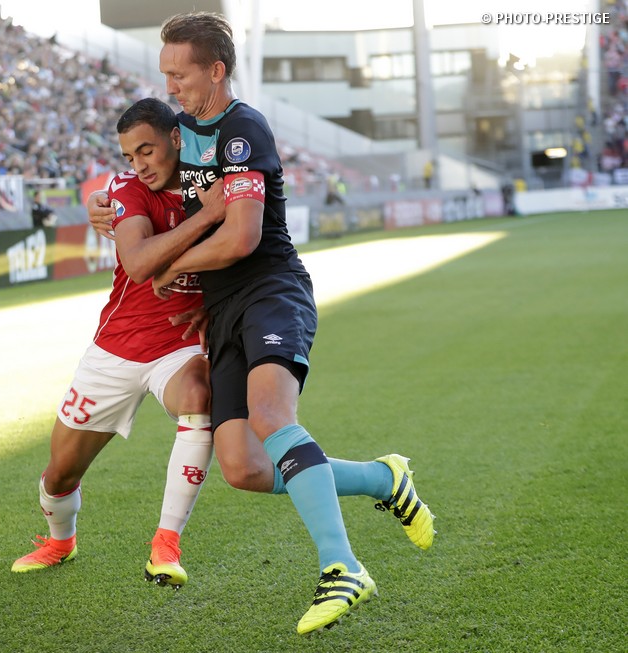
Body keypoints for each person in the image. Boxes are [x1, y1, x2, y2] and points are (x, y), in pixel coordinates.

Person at [147, 12, 433, 635]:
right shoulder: (179, 129)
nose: (170, 86)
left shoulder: (243, 128)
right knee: (244, 468)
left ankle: (343, 567)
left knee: (272, 416)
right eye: (164, 74)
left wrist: (174, 266)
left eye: (180, 74)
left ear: (216, 70)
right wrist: (105, 206)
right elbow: (142, 179)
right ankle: (383, 477)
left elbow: (242, 237)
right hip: (222, 310)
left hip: (271, 290)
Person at [12, 98, 229, 588]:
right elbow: (138, 263)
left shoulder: (212, 181)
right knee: (59, 474)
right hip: (117, 348)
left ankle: (166, 546)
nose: (140, 165)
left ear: (176, 138)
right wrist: (205, 218)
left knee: (199, 396)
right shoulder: (128, 190)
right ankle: (60, 542)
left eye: (147, 150)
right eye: (130, 156)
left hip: (181, 344)